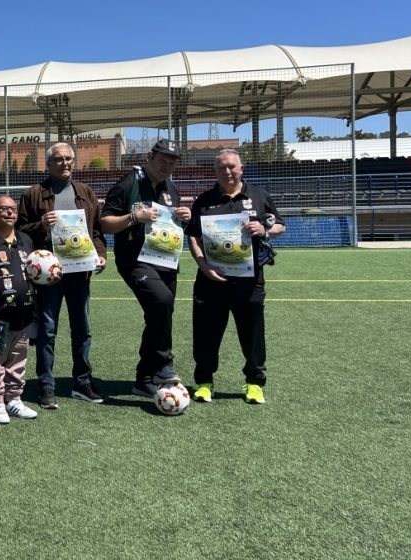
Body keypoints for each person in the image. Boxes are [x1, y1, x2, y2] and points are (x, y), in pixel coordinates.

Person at [186, 149, 285, 404]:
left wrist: (265, 229)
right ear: (215, 171)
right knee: (206, 333)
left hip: (249, 281)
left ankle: (254, 383)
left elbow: (280, 225)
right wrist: (202, 264)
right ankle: (205, 382)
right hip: (211, 279)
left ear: (241, 168)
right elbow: (193, 235)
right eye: (221, 168)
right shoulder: (204, 200)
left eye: (231, 166)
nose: (227, 172)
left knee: (252, 333)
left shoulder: (259, 195)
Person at [16, 142, 107, 409]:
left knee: (83, 329)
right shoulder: (34, 194)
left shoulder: (85, 193)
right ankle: (46, 385)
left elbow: (97, 232)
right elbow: (20, 231)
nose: (65, 163)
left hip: (80, 272)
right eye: (59, 159)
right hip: (49, 275)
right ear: (48, 163)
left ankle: (82, 382)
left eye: (69, 159)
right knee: (47, 329)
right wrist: (40, 225)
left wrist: (101, 255)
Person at [100, 139, 190, 397]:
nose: (167, 166)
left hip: (165, 259)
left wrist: (182, 217)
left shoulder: (170, 187)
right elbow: (105, 223)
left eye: (172, 162)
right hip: (135, 261)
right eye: (163, 160)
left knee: (162, 312)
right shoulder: (127, 184)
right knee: (161, 302)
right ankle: (163, 363)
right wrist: (133, 218)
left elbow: (170, 223)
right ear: (150, 157)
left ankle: (144, 378)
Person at [0, 195, 43, 424]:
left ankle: (14, 400)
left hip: (23, 316)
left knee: (17, 361)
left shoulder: (25, 240)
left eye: (13, 209)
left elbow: (35, 273)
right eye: (3, 209)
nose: (9, 213)